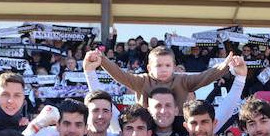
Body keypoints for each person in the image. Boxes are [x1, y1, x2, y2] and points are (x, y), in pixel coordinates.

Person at [85, 45, 234, 107]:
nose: (163, 69)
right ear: (149, 68)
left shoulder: (183, 80)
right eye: (158, 65)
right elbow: (120, 75)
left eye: (167, 65)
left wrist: (225, 65)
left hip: (177, 129)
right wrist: (103, 60)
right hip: (147, 130)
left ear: (174, 67)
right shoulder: (142, 81)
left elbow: (205, 76)